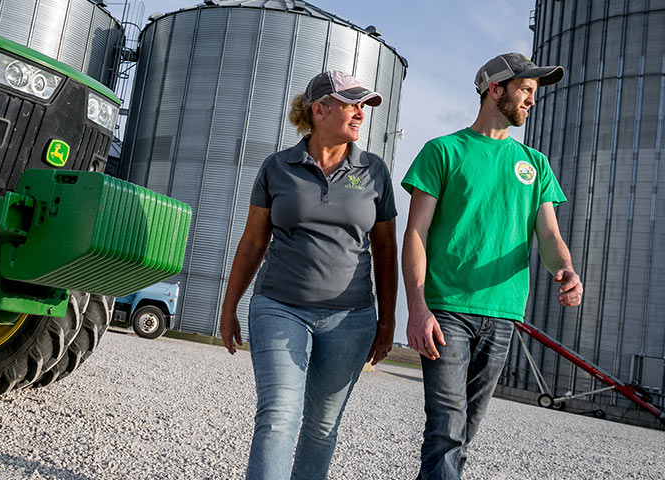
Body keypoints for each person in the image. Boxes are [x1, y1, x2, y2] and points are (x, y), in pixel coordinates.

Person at [401, 53, 584, 480]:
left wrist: (567, 269)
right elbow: (416, 233)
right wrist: (417, 306)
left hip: (503, 314)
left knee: (464, 433)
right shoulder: (444, 151)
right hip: (447, 309)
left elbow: (549, 236)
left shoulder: (534, 164)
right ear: (495, 89)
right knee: (446, 430)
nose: (532, 101)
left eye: (534, 93)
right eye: (525, 90)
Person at [219, 70, 398, 480]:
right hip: (279, 307)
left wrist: (387, 321)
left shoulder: (374, 171)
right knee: (279, 415)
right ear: (319, 110)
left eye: (363, 106)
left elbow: (385, 251)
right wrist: (229, 308)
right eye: (351, 104)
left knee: (321, 428)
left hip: (351, 318)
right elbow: (251, 243)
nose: (360, 113)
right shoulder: (278, 167)